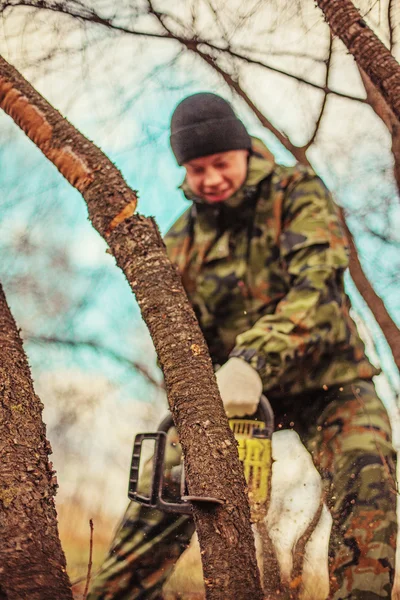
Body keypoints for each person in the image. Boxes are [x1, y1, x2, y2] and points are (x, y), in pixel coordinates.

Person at [88, 93, 397, 600]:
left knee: (369, 478)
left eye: (220, 162)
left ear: (243, 153)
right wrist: (203, 397)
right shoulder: (181, 241)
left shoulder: (296, 191)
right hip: (236, 404)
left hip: (333, 384)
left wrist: (251, 360)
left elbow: (317, 290)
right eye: (195, 167)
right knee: (164, 486)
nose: (209, 178)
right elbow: (181, 343)